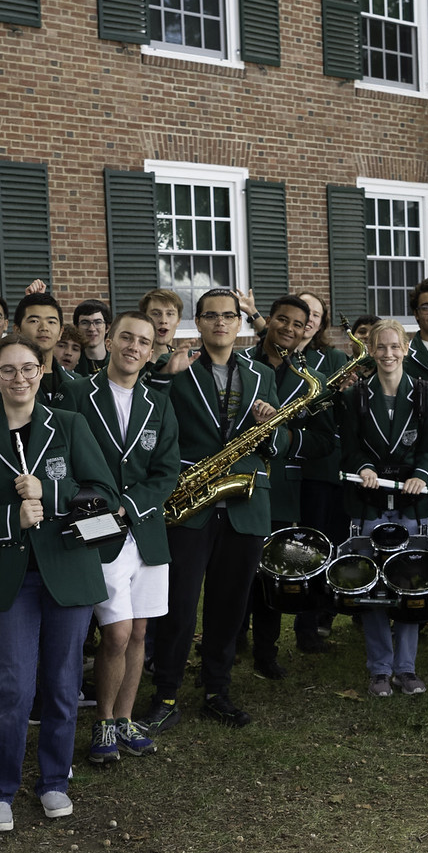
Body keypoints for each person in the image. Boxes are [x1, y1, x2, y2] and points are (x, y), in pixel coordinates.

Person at [0, 335, 117, 832]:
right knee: (15, 688)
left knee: (63, 686)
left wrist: (54, 490)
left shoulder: (69, 425)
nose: (19, 378)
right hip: (11, 579)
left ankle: (53, 782)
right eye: (8, 370)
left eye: (28, 368)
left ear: (42, 371)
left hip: (67, 572)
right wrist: (12, 517)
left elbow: (105, 494)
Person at [138, 288, 285, 731]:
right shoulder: (175, 370)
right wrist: (164, 376)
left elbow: (274, 444)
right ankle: (165, 693)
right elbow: (151, 425)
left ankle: (217, 689)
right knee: (179, 605)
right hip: (191, 504)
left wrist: (269, 422)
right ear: (197, 324)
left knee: (230, 604)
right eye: (210, 317)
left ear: (239, 323)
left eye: (229, 316)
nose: (221, 323)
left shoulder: (262, 375)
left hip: (245, 502)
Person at [66, 312, 178, 763]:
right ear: (110, 341)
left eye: (144, 342)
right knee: (115, 634)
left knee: (140, 633)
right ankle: (103, 722)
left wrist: (130, 507)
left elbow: (167, 469)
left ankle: (125, 719)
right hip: (99, 531)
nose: (134, 346)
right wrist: (100, 505)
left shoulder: (160, 403)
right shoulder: (77, 394)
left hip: (146, 531)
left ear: (151, 352)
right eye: (126, 337)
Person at [339, 319, 428, 696]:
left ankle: (406, 668)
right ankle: (379, 668)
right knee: (374, 587)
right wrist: (362, 466)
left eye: (395, 346)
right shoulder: (355, 397)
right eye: (380, 347)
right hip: (370, 502)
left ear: (407, 349)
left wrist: (422, 474)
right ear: (370, 351)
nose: (388, 354)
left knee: (410, 583)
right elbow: (349, 447)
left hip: (412, 505)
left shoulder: (427, 394)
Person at [241, 296, 335, 676]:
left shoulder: (312, 377)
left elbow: (325, 441)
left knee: (270, 575)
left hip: (282, 490)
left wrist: (286, 438)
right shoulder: (240, 364)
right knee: (233, 574)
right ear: (269, 321)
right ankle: (230, 644)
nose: (290, 329)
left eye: (299, 324)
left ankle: (266, 653)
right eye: (283, 320)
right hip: (239, 481)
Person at [293, 290, 352, 652]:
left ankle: (311, 624)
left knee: (320, 545)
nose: (310, 319)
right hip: (282, 469)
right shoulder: (273, 358)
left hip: (322, 469)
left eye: (316, 314)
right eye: (303, 312)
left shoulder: (333, 357)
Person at [12, 291, 82, 413]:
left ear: (60, 332)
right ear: (17, 330)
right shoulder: (5, 381)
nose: (44, 328)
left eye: (51, 322)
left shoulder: (77, 382)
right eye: (34, 321)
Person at [72, 299, 112, 374]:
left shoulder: (118, 363)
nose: (91, 329)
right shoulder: (70, 363)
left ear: (107, 327)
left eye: (97, 322)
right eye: (85, 323)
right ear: (76, 328)